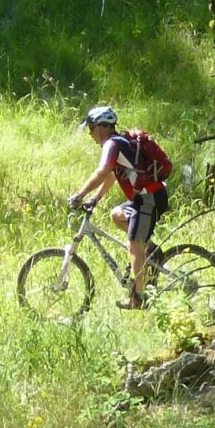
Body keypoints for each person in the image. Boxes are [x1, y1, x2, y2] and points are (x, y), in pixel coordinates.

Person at [66, 104, 172, 308]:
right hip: (147, 196)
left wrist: (80, 194)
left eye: (91, 130)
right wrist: (95, 199)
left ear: (100, 128)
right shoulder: (121, 143)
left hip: (148, 198)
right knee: (117, 215)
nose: (91, 135)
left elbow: (102, 170)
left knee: (134, 246)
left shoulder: (112, 144)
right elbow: (112, 175)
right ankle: (151, 251)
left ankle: (139, 298)